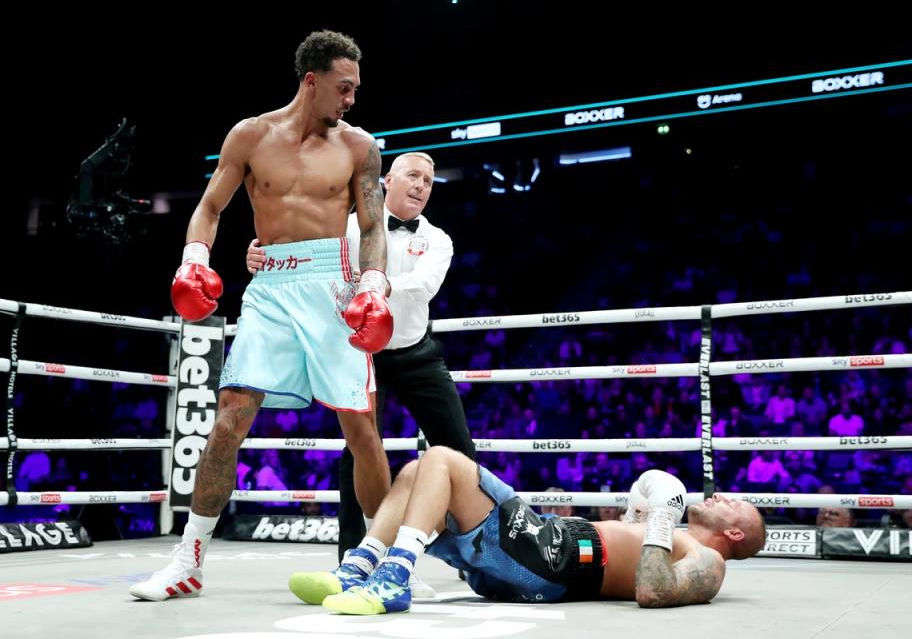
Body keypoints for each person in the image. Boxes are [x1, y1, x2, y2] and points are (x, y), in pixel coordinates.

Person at [130, 30, 393, 601]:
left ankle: (379, 560)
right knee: (229, 416)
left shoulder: (359, 147)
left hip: (332, 285)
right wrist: (193, 259)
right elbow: (208, 207)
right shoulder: (250, 135)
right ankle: (188, 560)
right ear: (312, 80)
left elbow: (372, 227)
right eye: (344, 88)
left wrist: (373, 284)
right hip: (270, 285)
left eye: (356, 90)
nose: (351, 99)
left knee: (360, 426)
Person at [247, 151, 476, 562]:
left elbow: (424, 286)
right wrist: (262, 258)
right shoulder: (347, 228)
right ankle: (352, 558)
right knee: (358, 453)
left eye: (428, 179)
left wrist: (376, 286)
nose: (422, 185)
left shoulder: (439, 239)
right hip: (362, 354)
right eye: (413, 176)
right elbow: (300, 257)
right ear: (388, 180)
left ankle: (479, 551)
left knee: (460, 452)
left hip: (416, 354)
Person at [288, 447, 766, 613]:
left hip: (559, 558)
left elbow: (653, 592)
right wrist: (640, 517)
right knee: (416, 472)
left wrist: (661, 520)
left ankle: (393, 579)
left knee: (442, 461)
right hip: (544, 553)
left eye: (735, 503)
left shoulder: (712, 562)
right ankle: (361, 567)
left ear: (738, 534)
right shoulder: (662, 533)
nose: (723, 495)